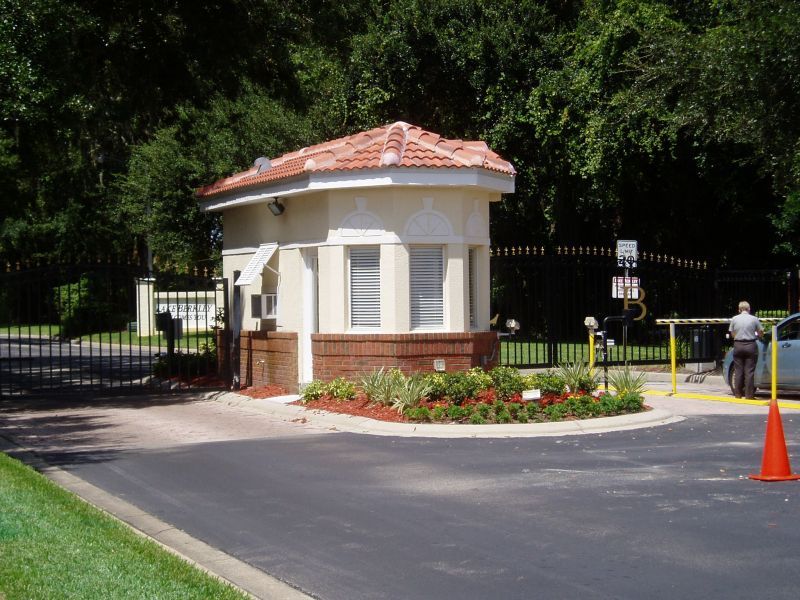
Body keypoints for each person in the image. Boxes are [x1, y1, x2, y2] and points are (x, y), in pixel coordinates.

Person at [728, 301, 763, 399]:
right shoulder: (754, 319)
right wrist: (759, 336)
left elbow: (732, 333)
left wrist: (737, 337)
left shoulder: (734, 319)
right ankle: (749, 395)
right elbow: (760, 332)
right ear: (749, 309)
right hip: (751, 345)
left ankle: (738, 394)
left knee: (738, 371)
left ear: (739, 309)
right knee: (749, 371)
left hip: (738, 345)